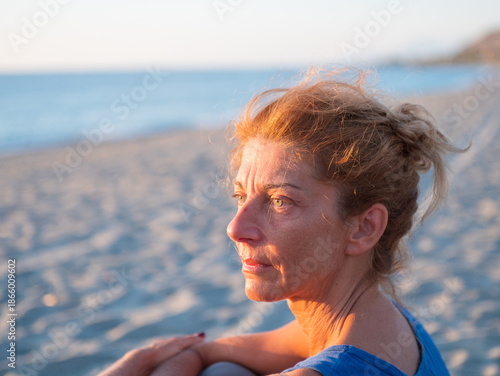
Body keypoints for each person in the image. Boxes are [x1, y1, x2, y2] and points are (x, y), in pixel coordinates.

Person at [99, 68, 464, 376]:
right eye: (241, 197)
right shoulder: (386, 324)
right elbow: (209, 351)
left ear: (364, 227)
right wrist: (170, 357)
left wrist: (128, 368)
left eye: (279, 201)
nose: (236, 228)